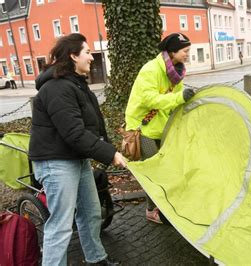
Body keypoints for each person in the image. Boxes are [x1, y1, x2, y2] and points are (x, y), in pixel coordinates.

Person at [29, 33, 126, 265]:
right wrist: (110, 154)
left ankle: (96, 259)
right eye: (87, 52)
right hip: (56, 162)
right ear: (73, 55)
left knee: (91, 213)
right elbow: (74, 132)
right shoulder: (56, 88)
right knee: (61, 226)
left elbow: (91, 126)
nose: (92, 58)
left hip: (75, 159)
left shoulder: (75, 84)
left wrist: (109, 146)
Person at [125, 33, 194, 224]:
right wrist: (179, 98)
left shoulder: (177, 72)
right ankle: (150, 209)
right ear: (172, 52)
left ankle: (165, 205)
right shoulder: (150, 69)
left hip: (162, 126)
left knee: (167, 168)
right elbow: (150, 99)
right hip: (143, 128)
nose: (188, 54)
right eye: (185, 51)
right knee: (154, 170)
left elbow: (176, 101)